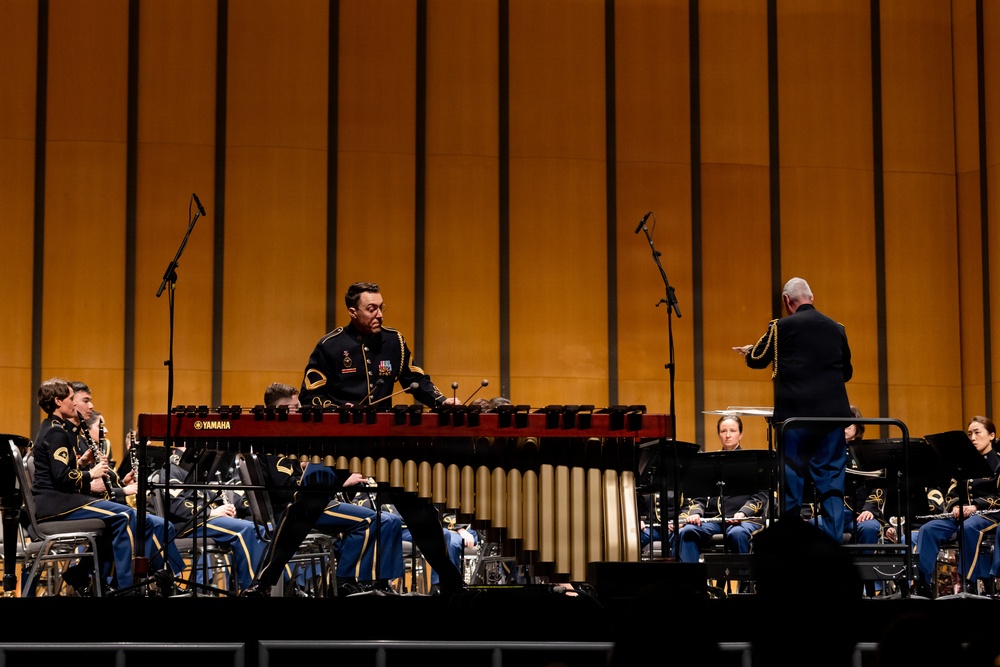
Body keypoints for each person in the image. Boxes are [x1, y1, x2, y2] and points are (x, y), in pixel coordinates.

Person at [242, 282, 465, 597]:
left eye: (381, 307)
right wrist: (338, 409)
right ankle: (262, 583)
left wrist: (440, 401)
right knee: (302, 510)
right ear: (353, 311)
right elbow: (310, 396)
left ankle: (454, 584)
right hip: (338, 443)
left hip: (383, 444)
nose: (378, 314)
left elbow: (415, 378)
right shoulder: (330, 346)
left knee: (420, 511)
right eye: (371, 308)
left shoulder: (395, 341)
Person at [247, 382, 405, 596]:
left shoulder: (291, 437)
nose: (301, 412)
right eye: (295, 408)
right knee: (372, 521)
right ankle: (346, 582)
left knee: (391, 520)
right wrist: (333, 482)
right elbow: (285, 491)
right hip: (300, 508)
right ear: (279, 410)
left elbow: (296, 476)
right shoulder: (274, 440)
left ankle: (381, 583)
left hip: (317, 502)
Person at [735, 276, 853, 543]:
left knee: (792, 483)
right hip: (831, 421)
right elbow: (846, 372)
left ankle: (792, 547)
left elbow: (757, 360)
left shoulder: (780, 327)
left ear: (787, 302)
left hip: (795, 421)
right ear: (811, 297)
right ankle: (832, 547)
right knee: (832, 483)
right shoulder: (837, 328)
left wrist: (750, 350)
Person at [29, 378, 139, 593]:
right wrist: (92, 473)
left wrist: (80, 464)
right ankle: (125, 588)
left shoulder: (52, 427)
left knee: (114, 520)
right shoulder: (56, 432)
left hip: (57, 500)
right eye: (71, 398)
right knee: (125, 516)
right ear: (59, 402)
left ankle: (88, 579)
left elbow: (56, 470)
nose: (75, 403)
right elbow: (61, 477)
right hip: (56, 504)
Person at [912, 415, 1000, 597]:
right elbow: (951, 493)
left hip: (990, 515)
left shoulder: (999, 463)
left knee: (969, 527)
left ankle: (968, 582)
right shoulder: (963, 463)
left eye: (977, 433)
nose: (973, 438)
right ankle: (921, 584)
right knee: (928, 529)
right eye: (969, 434)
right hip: (961, 514)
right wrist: (954, 506)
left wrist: (975, 506)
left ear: (991, 435)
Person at [676, 415, 768, 566]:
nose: (728, 435)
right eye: (723, 431)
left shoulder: (753, 461)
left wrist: (743, 513)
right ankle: (692, 583)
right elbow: (699, 495)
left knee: (738, 534)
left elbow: (761, 496)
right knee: (687, 531)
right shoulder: (709, 462)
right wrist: (695, 514)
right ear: (718, 434)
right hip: (715, 520)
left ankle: (746, 584)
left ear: (741, 434)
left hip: (744, 520)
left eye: (733, 431)